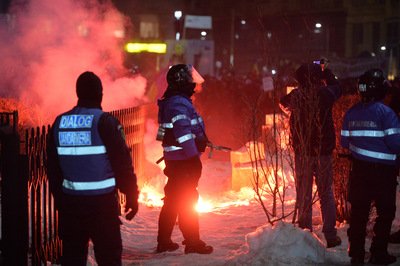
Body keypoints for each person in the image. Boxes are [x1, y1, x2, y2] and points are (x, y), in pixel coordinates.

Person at [46, 71, 139, 266]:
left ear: (78, 93)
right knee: (108, 258)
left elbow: (52, 168)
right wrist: (131, 194)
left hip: (71, 206)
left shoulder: (59, 123)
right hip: (102, 206)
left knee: (72, 258)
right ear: (100, 94)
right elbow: (122, 163)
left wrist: (61, 200)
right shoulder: (105, 122)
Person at [341, 69, 400, 265]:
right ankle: (378, 253)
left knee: (358, 213)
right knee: (385, 214)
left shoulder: (351, 112)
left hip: (358, 171)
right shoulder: (386, 113)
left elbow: (344, 141)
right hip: (383, 173)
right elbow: (395, 144)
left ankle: (356, 254)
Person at [280, 63, 342, 248]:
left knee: (304, 193)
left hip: (303, 152)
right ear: (317, 78)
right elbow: (338, 88)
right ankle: (330, 235)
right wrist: (327, 74)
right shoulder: (325, 94)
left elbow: (283, 102)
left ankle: (305, 234)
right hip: (323, 151)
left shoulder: (297, 96)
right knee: (326, 193)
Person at [155, 64, 213, 254]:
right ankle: (193, 242)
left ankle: (164, 241)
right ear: (181, 82)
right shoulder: (179, 103)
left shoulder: (172, 101)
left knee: (172, 200)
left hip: (176, 159)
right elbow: (183, 134)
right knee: (188, 200)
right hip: (183, 161)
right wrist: (192, 157)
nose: (194, 84)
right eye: (190, 79)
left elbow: (166, 134)